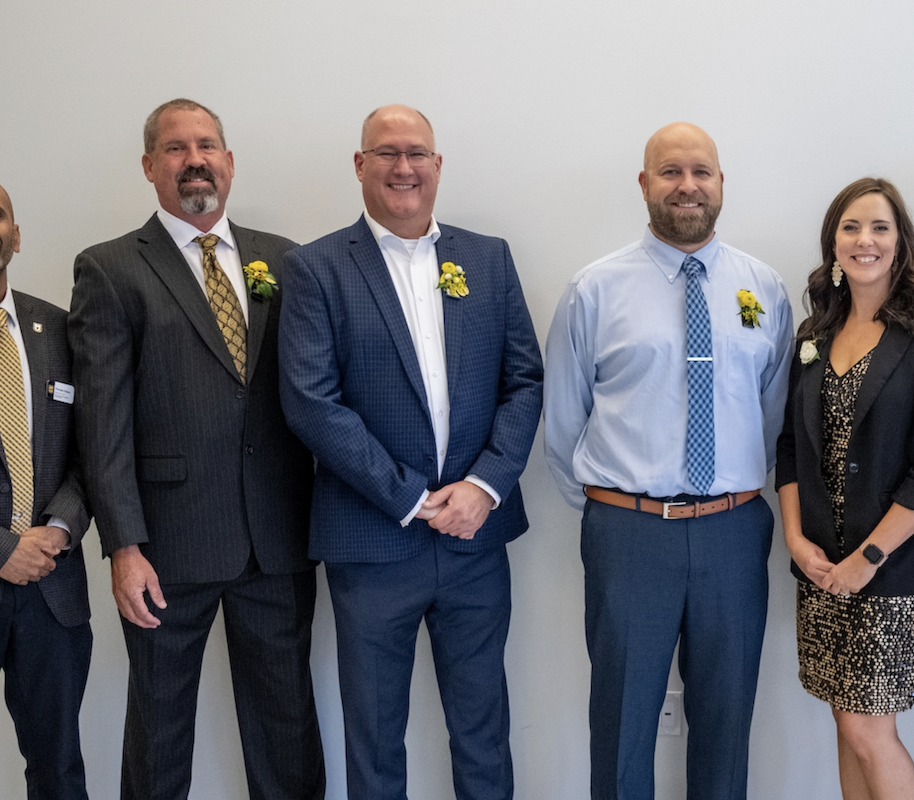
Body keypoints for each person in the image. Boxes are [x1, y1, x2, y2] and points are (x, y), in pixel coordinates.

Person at [278, 104, 542, 800]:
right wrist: (409, 497)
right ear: (360, 165)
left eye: (417, 152)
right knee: (374, 740)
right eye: (387, 153)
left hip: (474, 541)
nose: (404, 167)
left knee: (484, 733)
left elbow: (524, 380)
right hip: (371, 543)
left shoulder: (487, 258)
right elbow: (312, 401)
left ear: (438, 164)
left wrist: (483, 486)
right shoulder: (315, 268)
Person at [67, 99, 324, 800]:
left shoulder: (288, 260)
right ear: (150, 167)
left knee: (288, 728)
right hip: (164, 549)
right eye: (175, 149)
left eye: (207, 145)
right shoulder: (112, 268)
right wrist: (124, 547)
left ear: (230, 162)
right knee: (159, 732)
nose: (194, 159)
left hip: (276, 541)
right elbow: (102, 424)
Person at [544, 122, 793, 800]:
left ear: (720, 183)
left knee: (727, 716)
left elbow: (773, 412)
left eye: (702, 172)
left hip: (734, 532)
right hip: (629, 534)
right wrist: (619, 506)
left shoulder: (763, 287)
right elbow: (564, 419)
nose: (688, 185)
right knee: (623, 718)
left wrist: (726, 491)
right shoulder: (594, 289)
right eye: (671, 171)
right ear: (645, 183)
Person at [777, 177, 914, 800]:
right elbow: (789, 447)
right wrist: (796, 540)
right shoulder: (813, 335)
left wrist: (868, 559)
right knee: (844, 721)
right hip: (820, 567)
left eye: (879, 227)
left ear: (901, 242)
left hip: (891, 568)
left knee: (868, 729)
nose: (865, 240)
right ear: (833, 243)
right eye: (851, 227)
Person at [0, 182, 92, 798]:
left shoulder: (56, 327)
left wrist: (58, 528)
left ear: (16, 233)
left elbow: (95, 449)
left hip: (49, 586)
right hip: (10, 556)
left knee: (57, 767)